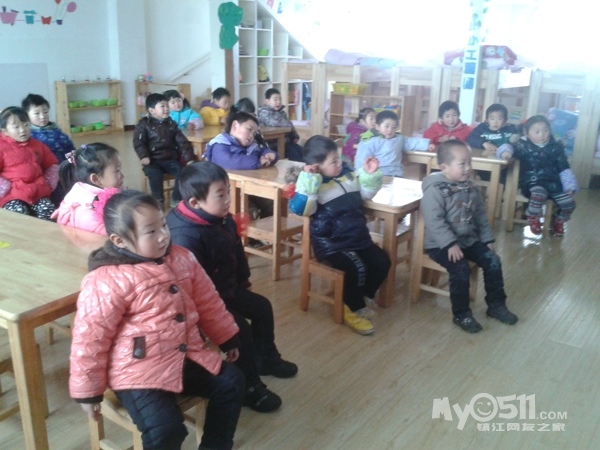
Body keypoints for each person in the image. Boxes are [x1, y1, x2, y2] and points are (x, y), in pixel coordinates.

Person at [69, 190, 245, 450]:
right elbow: (90, 338)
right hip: (136, 372)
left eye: (163, 225)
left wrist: (227, 338)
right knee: (166, 430)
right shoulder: (106, 280)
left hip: (185, 355)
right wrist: (88, 391)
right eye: (150, 231)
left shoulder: (183, 258)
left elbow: (208, 302)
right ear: (119, 240)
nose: (163, 235)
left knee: (232, 382)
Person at [167, 161, 298, 412]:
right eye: (221, 195)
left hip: (225, 289)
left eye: (228, 191)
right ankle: (249, 388)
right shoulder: (185, 236)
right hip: (201, 304)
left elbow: (235, 251)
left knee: (262, 307)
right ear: (195, 202)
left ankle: (266, 359)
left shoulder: (218, 217)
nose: (228, 199)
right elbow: (192, 290)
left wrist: (243, 281)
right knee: (239, 330)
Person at [289, 135, 391, 336]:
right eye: (333, 161)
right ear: (316, 166)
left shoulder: (347, 176)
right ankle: (350, 309)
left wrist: (369, 175)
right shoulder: (313, 186)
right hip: (331, 244)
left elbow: (364, 195)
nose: (339, 163)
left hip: (357, 237)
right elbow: (302, 209)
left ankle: (359, 299)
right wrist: (310, 181)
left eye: (339, 158)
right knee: (356, 268)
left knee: (382, 262)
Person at [421, 140, 519, 333]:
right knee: (461, 269)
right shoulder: (435, 190)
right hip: (441, 245)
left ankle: (496, 305)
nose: (468, 168)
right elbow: (434, 221)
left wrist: (487, 239)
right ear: (444, 167)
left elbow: (480, 216)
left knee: (493, 260)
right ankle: (462, 314)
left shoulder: (471, 188)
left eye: (469, 163)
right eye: (462, 164)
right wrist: (449, 244)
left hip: (468, 240)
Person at [499, 114, 578, 236]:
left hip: (553, 184)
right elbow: (508, 146)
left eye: (545, 131)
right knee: (539, 193)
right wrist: (506, 152)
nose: (542, 135)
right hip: (532, 182)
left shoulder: (556, 147)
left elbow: (564, 167)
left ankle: (558, 220)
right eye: (537, 132)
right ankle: (533, 216)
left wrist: (570, 185)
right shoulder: (522, 145)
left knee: (569, 203)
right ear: (527, 133)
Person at [133, 93, 195, 209]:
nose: (166, 109)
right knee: (155, 174)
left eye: (167, 106)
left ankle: (176, 198)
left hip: (170, 159)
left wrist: (189, 158)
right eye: (162, 106)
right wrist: (143, 156)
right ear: (152, 111)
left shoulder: (171, 123)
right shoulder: (143, 124)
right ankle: (158, 200)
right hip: (153, 161)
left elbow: (182, 142)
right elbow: (138, 142)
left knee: (183, 172)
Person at [51, 143, 123, 235]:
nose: (122, 176)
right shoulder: (87, 213)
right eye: (117, 170)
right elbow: (114, 238)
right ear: (96, 179)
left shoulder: (100, 193)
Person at [0, 106, 58, 220]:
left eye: (26, 125)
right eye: (16, 127)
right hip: (12, 195)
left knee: (48, 211)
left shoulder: (38, 145)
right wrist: (4, 188)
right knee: (18, 216)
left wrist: (49, 183)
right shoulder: (1, 147)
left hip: (39, 192)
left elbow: (52, 165)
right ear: (4, 131)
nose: (23, 130)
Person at [22, 93, 75, 207]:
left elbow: (70, 149)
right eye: (37, 113)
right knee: (57, 197)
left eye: (45, 112)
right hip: (45, 174)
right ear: (26, 115)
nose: (42, 116)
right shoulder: (28, 135)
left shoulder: (56, 131)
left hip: (64, 170)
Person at [204, 111, 278, 170]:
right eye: (249, 129)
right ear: (235, 126)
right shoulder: (220, 144)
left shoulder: (252, 146)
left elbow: (262, 150)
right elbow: (228, 161)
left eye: (254, 134)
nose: (252, 135)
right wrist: (258, 162)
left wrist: (269, 155)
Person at [256, 88, 303, 162]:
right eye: (275, 100)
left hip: (286, 141)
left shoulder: (282, 112)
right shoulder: (263, 112)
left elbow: (289, 126)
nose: (278, 102)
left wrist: (294, 135)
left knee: (302, 151)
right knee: (295, 156)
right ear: (267, 101)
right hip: (273, 144)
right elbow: (273, 122)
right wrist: (289, 124)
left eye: (280, 99)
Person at [354, 110, 406, 177]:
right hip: (377, 175)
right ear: (377, 127)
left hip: (397, 174)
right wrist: (360, 175)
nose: (390, 130)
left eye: (394, 127)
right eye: (387, 126)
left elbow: (413, 142)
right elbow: (362, 159)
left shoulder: (399, 138)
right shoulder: (370, 141)